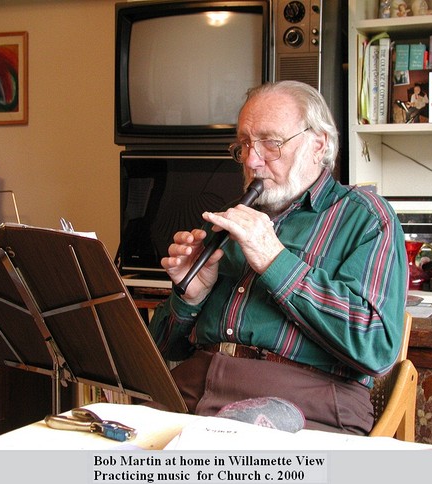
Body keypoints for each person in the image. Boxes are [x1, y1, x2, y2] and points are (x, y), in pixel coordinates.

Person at [148, 81, 407, 435]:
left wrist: (273, 259)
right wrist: (190, 297)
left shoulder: (365, 217)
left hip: (306, 407)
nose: (253, 161)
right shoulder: (231, 218)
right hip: (193, 394)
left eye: (272, 142)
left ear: (319, 144)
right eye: (244, 145)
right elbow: (164, 348)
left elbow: (376, 347)